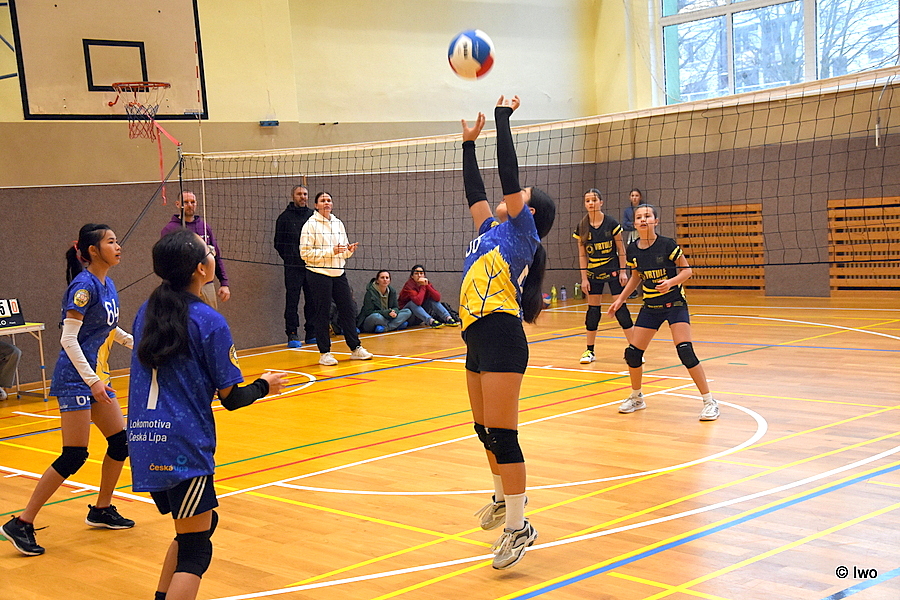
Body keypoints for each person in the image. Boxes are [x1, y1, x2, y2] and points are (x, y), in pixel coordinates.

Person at [128, 229, 287, 600]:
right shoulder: (208, 320)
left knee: (195, 529)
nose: (214, 254)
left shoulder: (145, 311)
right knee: (196, 549)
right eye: (209, 251)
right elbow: (232, 397)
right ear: (200, 269)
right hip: (182, 445)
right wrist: (264, 385)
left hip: (144, 439)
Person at [459, 95, 556, 569]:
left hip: (501, 334)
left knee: (503, 433)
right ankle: (502, 499)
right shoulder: (487, 230)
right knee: (484, 430)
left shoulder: (522, 234)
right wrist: (467, 145)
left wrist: (502, 121)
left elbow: (509, 176)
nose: (512, 194)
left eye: (522, 196)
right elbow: (475, 192)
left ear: (528, 212)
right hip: (475, 336)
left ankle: (519, 527)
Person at [2, 224, 135, 556]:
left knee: (120, 442)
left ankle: (102, 509)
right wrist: (92, 382)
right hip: (77, 378)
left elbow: (106, 327)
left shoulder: (108, 283)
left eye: (117, 241)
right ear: (93, 250)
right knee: (74, 454)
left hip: (95, 377)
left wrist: (137, 343)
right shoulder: (83, 286)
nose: (118, 246)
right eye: (111, 242)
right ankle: (22, 522)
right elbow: (68, 338)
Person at [607, 204, 719, 421]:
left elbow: (687, 271)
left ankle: (709, 401)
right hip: (651, 306)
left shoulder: (667, 245)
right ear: (634, 223)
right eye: (639, 217)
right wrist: (620, 299)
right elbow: (636, 277)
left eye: (647, 216)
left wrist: (671, 282)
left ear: (655, 221)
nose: (643, 219)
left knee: (685, 351)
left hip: (674, 303)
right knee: (633, 353)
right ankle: (637, 397)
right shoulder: (632, 249)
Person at [299, 192, 373, 366]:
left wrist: (348, 251)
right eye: (322, 200)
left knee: (348, 310)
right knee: (322, 313)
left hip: (338, 272)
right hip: (318, 273)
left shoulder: (338, 223)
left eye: (329, 200)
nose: (326, 203)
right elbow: (305, 254)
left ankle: (355, 348)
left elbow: (342, 251)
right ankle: (324, 353)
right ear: (316, 205)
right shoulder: (310, 225)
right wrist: (331, 252)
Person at [574, 188, 634, 364]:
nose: (591, 203)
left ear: (601, 202)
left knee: (621, 309)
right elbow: (582, 255)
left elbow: (621, 249)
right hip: (593, 273)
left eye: (594, 200)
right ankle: (589, 351)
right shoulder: (582, 226)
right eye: (587, 201)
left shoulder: (611, 223)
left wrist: (623, 271)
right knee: (593, 312)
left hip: (613, 270)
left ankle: (635, 349)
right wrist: (584, 278)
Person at [161, 191, 230, 308]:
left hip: (206, 283)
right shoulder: (170, 229)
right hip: (182, 285)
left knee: (208, 316)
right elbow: (164, 261)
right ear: (178, 204)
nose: (190, 205)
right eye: (186, 202)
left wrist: (224, 283)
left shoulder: (204, 227)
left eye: (192, 202)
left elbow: (216, 256)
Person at [273, 185, 317, 348]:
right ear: (293, 196)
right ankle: (292, 333)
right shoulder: (284, 218)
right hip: (293, 266)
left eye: (305, 194)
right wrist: (290, 258)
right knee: (292, 300)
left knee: (312, 299)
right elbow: (278, 243)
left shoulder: (314, 216)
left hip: (311, 265)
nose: (302, 197)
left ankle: (311, 332)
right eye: (299, 194)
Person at [622, 188, 644, 299]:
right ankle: (633, 290)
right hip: (632, 238)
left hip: (643, 237)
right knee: (633, 264)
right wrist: (635, 225)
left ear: (640, 197)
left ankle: (647, 287)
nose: (634, 198)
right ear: (630, 198)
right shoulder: (627, 211)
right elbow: (624, 225)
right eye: (632, 195)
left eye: (636, 195)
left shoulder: (644, 208)